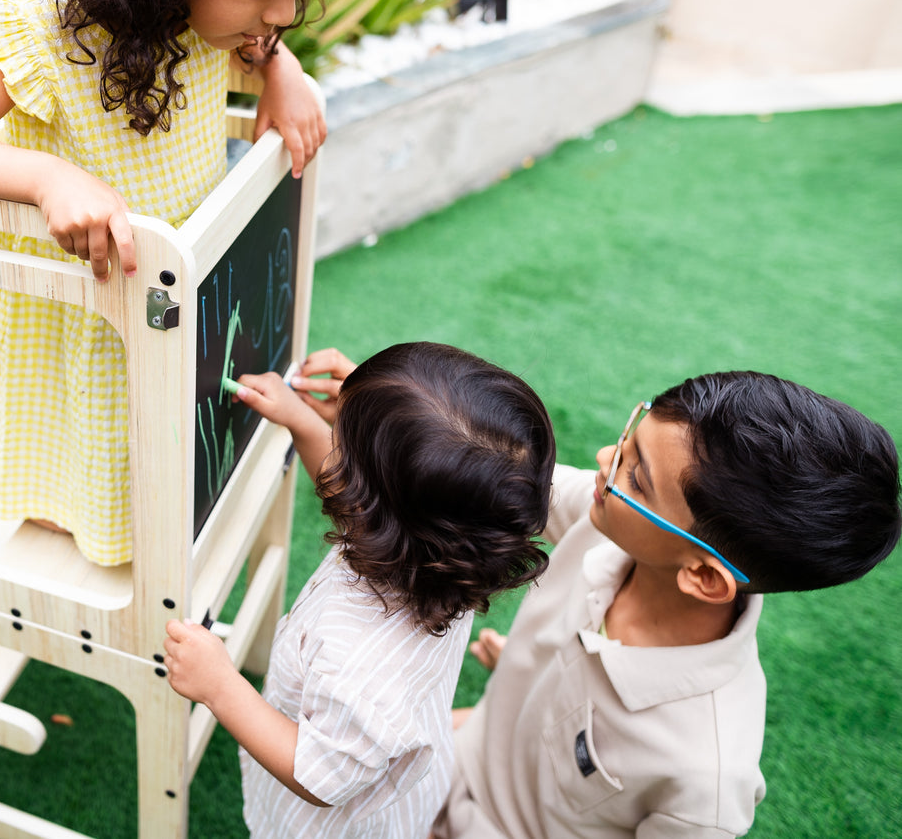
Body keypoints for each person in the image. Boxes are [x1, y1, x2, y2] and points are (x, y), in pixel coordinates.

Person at [0, 0, 385, 565]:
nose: (285, 10)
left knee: (152, 484)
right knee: (81, 510)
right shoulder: (50, 31)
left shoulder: (206, 20)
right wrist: (47, 178)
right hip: (82, 317)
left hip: (171, 311)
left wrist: (283, 73)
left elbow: (260, 53)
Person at [285, 348, 900, 839]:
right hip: (446, 770)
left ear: (704, 576)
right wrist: (404, 424)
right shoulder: (609, 523)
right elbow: (489, 483)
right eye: (631, 439)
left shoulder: (706, 777)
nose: (606, 461)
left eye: (636, 475)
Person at [163, 342, 558, 837]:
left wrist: (221, 687)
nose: (334, 452)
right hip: (403, 775)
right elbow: (361, 502)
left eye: (341, 450)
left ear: (370, 506)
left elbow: (318, 777)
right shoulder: (444, 555)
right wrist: (304, 423)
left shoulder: (365, 668)